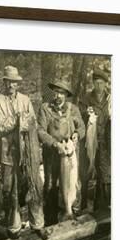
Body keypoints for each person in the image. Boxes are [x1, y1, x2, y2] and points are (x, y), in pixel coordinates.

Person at [0, 66, 50, 240]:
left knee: (34, 186)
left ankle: (38, 224)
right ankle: (14, 226)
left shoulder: (25, 100)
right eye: (8, 82)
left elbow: (31, 122)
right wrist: (18, 120)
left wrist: (20, 122)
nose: (11, 85)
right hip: (9, 154)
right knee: (11, 190)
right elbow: (1, 126)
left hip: (27, 152)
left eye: (14, 82)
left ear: (18, 84)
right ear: (4, 82)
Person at [38, 80, 86, 223]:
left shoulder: (73, 109)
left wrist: (77, 134)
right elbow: (40, 130)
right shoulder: (45, 108)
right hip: (52, 155)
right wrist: (55, 144)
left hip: (70, 156)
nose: (58, 95)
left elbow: (82, 127)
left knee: (73, 184)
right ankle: (51, 220)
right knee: (50, 185)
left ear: (66, 95)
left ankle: (73, 215)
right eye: (56, 92)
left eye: (61, 93)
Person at [79, 69, 111, 211]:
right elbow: (78, 118)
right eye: (96, 83)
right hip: (89, 142)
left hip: (104, 143)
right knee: (86, 173)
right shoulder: (86, 98)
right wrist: (86, 114)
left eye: (101, 83)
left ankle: (100, 207)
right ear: (93, 83)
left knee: (103, 173)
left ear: (105, 84)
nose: (98, 86)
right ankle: (83, 204)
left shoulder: (111, 99)